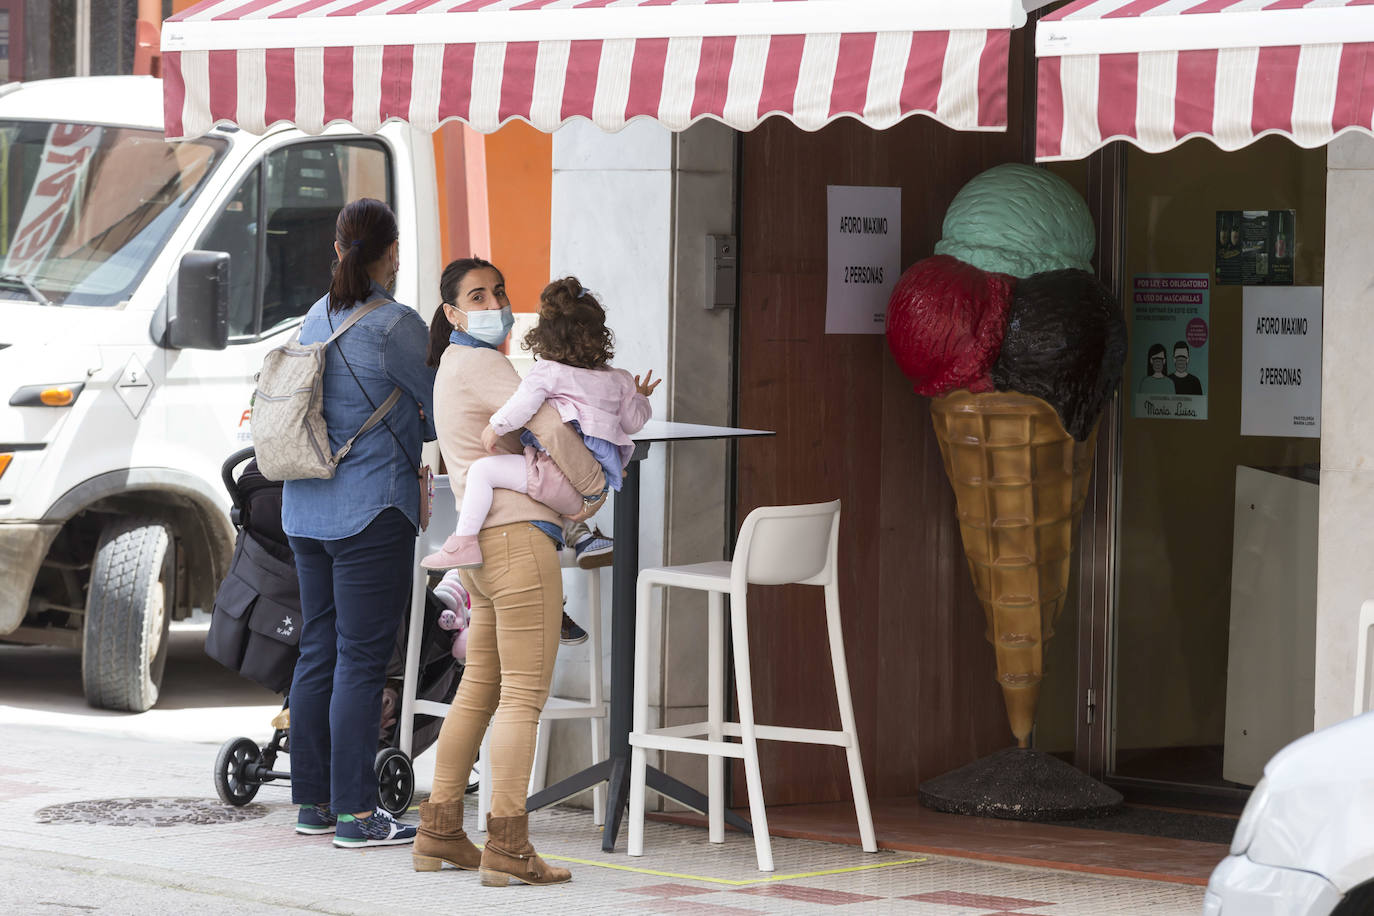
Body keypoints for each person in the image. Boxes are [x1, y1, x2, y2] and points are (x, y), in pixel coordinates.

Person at [411, 258, 609, 886]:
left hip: (483, 554)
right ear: (451, 313)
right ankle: (509, 847)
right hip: (519, 543)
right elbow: (546, 423)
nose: (493, 300)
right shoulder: (486, 364)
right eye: (477, 294)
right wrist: (593, 485)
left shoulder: (451, 366)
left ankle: (440, 830)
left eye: (499, 289)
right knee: (523, 697)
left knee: (480, 690)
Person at [280, 198, 436, 847]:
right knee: (362, 661)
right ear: (391, 254)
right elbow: (436, 411)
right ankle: (357, 814)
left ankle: (313, 804)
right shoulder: (397, 325)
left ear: (338, 251)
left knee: (319, 648)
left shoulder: (313, 317)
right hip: (371, 510)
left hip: (304, 508)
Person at [421, 277, 658, 572]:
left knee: (482, 470)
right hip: (598, 480)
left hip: (557, 476)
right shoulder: (619, 379)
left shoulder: (546, 373)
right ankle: (580, 538)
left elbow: (524, 406)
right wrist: (641, 397)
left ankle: (464, 541)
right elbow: (633, 422)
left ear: (543, 336)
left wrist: (497, 425)